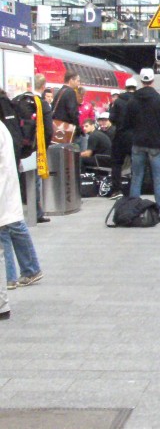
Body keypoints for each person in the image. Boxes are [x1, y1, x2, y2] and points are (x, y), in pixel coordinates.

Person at [0, 116, 43, 317]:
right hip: (6, 195)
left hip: (4, 194)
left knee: (10, 231)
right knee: (7, 233)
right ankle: (13, 277)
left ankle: (23, 272)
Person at [127, 68, 160, 222]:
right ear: (153, 80)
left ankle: (133, 209)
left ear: (141, 81)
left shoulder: (132, 101)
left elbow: (127, 123)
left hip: (138, 143)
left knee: (137, 177)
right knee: (158, 179)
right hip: (157, 145)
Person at [108, 77, 138, 196]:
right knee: (135, 164)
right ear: (135, 88)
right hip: (135, 136)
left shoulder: (118, 101)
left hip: (120, 135)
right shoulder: (137, 100)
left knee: (116, 163)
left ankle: (116, 190)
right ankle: (134, 190)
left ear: (125, 88)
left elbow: (112, 118)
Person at [27, 75, 51, 223]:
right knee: (36, 180)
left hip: (24, 146)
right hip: (37, 146)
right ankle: (37, 213)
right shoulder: (42, 103)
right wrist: (45, 146)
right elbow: (49, 130)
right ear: (43, 87)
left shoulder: (23, 101)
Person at [50, 71, 82, 146]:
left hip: (56, 127)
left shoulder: (60, 91)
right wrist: (77, 128)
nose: (79, 83)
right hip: (66, 129)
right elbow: (72, 112)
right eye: (78, 80)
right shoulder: (70, 92)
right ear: (71, 80)